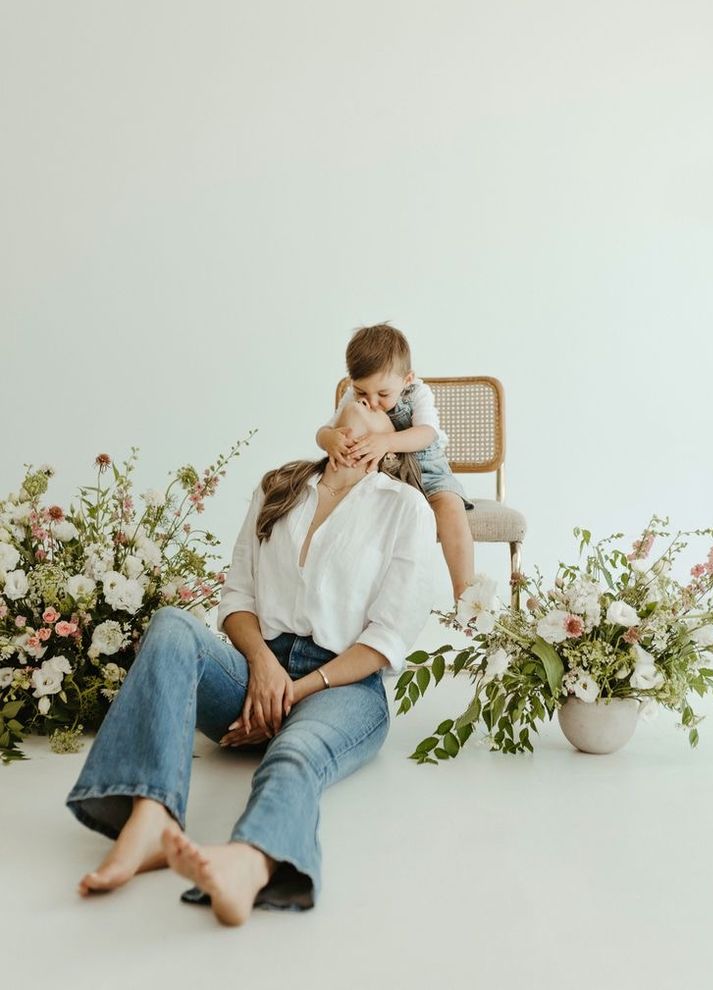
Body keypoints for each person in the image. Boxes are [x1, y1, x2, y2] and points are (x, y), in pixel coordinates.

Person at [65, 397, 436, 927]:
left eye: (379, 409)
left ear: (388, 441)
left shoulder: (403, 509)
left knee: (298, 750)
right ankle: (149, 818)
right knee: (172, 624)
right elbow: (237, 600)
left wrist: (292, 691)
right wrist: (262, 665)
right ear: (329, 428)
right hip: (258, 668)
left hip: (341, 684)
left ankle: (249, 862)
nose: (363, 405)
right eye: (353, 398)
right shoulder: (278, 488)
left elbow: (386, 638)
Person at [317, 322, 475, 601]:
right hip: (386, 478)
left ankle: (464, 593)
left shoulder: (418, 393)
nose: (372, 402)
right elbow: (325, 430)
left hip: (428, 474)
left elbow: (427, 434)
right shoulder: (353, 398)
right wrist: (329, 439)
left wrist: (387, 442)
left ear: (407, 378)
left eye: (383, 394)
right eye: (363, 392)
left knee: (451, 508)